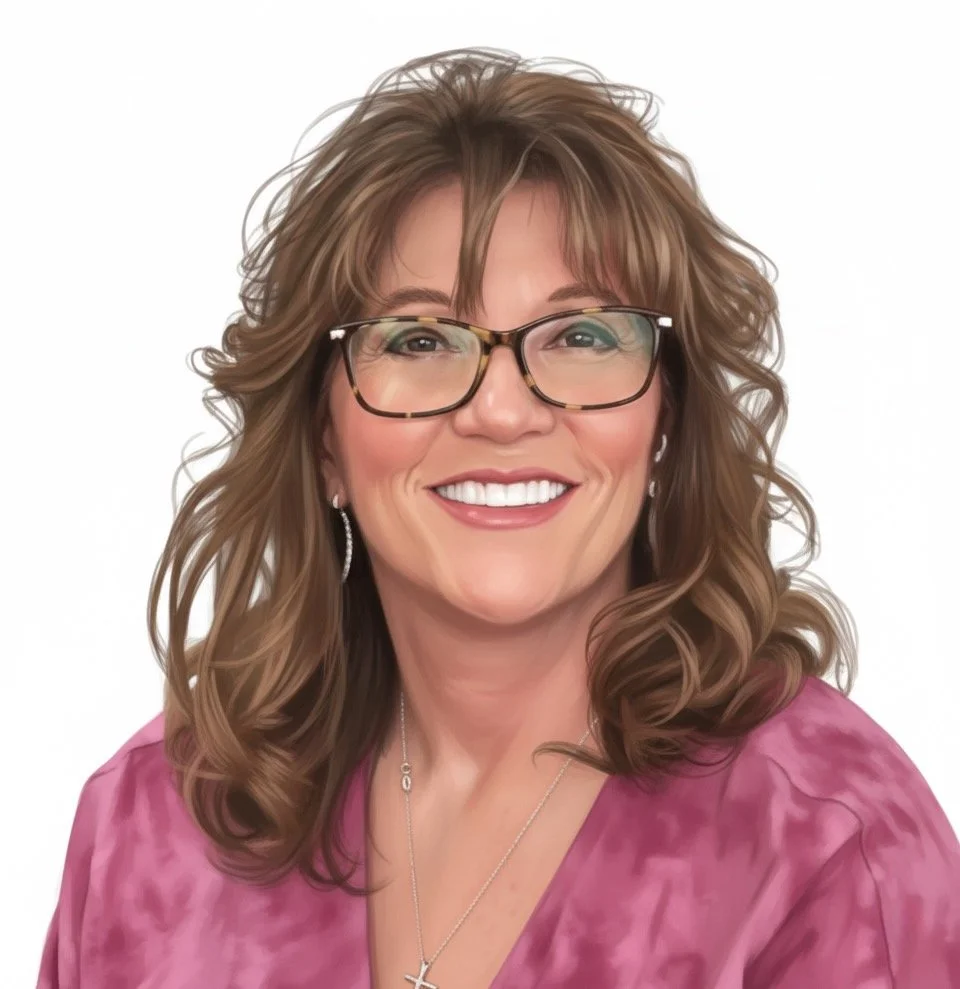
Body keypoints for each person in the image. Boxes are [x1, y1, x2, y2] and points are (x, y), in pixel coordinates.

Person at [38, 49, 960, 989]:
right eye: (420, 339)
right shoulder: (153, 825)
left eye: (582, 335)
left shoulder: (826, 843)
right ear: (322, 439)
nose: (503, 410)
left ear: (666, 418)